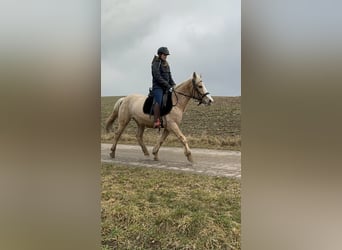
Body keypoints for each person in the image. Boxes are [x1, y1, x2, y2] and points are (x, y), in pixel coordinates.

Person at [151, 47, 176, 128]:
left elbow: (169, 76)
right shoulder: (155, 64)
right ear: (160, 54)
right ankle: (156, 121)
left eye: (166, 55)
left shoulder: (166, 64)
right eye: (164, 54)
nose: (166, 56)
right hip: (158, 87)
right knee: (159, 101)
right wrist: (168, 86)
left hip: (166, 87)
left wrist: (174, 85)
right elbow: (157, 77)